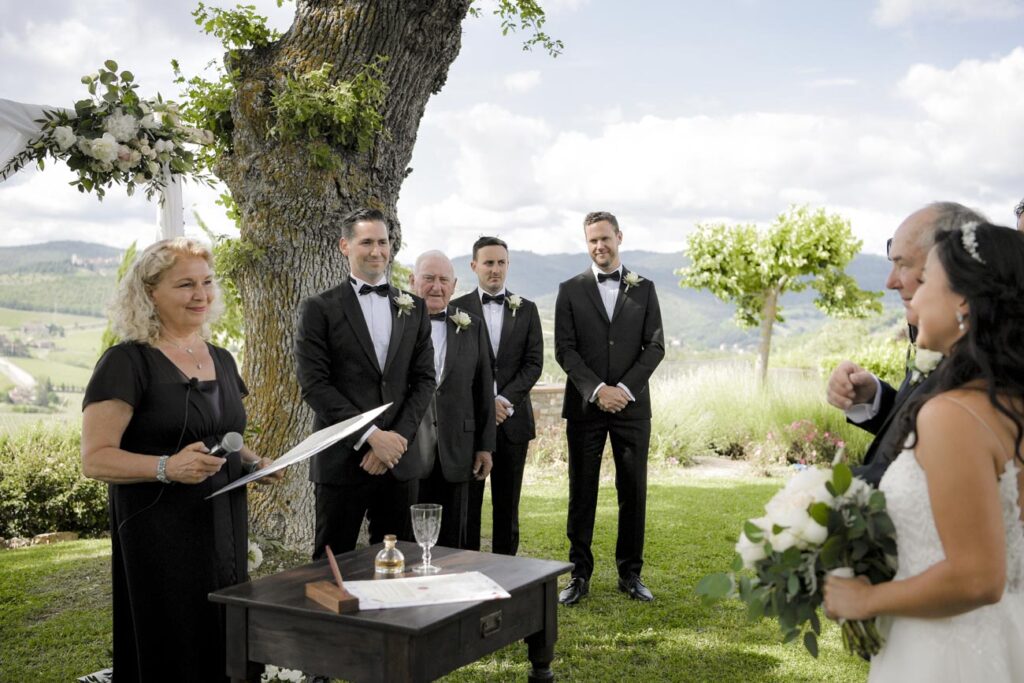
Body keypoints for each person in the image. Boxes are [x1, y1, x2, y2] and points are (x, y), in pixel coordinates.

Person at [824, 222, 1024, 681]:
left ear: (963, 302)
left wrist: (865, 599)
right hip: (1004, 635)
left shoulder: (953, 414)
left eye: (925, 280)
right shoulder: (1009, 403)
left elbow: (979, 577)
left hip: (944, 649)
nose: (910, 294)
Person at [81, 238, 281, 683]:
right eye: (185, 284)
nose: (201, 295)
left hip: (224, 522)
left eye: (207, 283)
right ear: (150, 292)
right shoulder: (126, 362)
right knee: (174, 640)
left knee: (226, 629)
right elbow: (94, 459)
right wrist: (165, 468)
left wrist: (254, 463)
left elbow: (221, 435)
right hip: (161, 531)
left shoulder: (223, 359)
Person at [295, 208, 436, 558]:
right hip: (343, 460)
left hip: (399, 463)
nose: (377, 251)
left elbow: (423, 380)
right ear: (345, 246)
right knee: (331, 565)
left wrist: (395, 441)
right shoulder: (319, 308)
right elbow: (315, 384)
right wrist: (371, 437)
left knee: (399, 563)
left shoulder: (414, 308)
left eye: (383, 242)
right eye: (367, 242)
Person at [826, 202, 986, 487]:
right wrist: (873, 397)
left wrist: (825, 489)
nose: (890, 282)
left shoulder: (985, 366)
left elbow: (946, 475)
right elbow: (921, 432)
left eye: (903, 264)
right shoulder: (939, 341)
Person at [554, 211, 665, 605]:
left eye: (605, 238)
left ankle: (630, 574)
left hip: (632, 409)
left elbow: (655, 346)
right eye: (592, 241)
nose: (599, 246)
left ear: (619, 237)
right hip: (585, 407)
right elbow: (564, 349)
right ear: (587, 244)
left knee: (632, 491)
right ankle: (578, 575)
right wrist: (598, 389)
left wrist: (624, 389)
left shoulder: (645, 288)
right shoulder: (570, 289)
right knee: (581, 492)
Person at [452, 236, 544, 555]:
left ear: (508, 265)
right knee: (469, 508)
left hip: (513, 423)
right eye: (488, 263)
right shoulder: (456, 309)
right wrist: (485, 405)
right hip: (472, 425)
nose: (495, 269)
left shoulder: (528, 310)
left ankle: (508, 575)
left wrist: (503, 401)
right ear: (474, 265)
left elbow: (534, 364)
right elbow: (453, 366)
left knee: (508, 507)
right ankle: (469, 569)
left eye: (501, 262)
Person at [409, 250, 495, 548]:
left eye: (444, 280)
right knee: (409, 539)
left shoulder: (472, 325)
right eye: (429, 278)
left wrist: (485, 445)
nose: (437, 286)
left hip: (459, 449)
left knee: (454, 541)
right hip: (408, 451)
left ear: (454, 285)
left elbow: (483, 388)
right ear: (412, 281)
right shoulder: (399, 323)